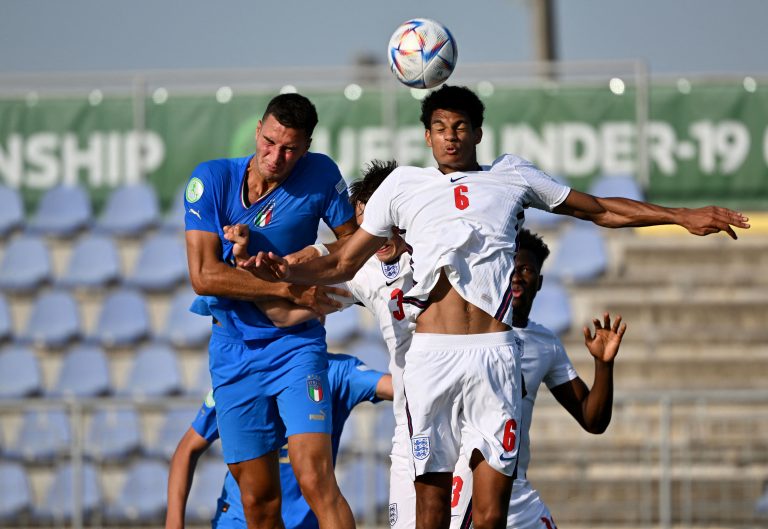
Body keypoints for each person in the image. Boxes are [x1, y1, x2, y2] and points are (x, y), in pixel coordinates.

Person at [244, 85, 750, 529]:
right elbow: (345, 261)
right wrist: (287, 271)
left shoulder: (512, 176)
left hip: (495, 353)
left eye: (461, 126)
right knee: (432, 509)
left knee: (490, 513)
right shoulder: (402, 186)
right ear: (427, 137)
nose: (450, 136)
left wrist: (680, 215)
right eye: (439, 127)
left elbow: (598, 209)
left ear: (478, 133)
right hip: (431, 358)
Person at [183, 92, 358, 529]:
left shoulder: (321, 175)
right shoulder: (211, 180)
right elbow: (204, 277)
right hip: (234, 350)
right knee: (259, 502)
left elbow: (357, 244)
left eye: (290, 149)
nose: (276, 156)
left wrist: (311, 255)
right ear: (258, 128)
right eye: (270, 142)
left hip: (296, 347)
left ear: (307, 147)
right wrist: (289, 289)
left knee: (315, 477)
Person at [226, 159, 421, 529]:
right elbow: (283, 315)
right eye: (362, 225)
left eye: (378, 222)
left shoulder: (436, 254)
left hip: (458, 404)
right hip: (411, 424)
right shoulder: (363, 272)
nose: (370, 234)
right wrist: (244, 266)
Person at [449, 228, 626, 529]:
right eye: (510, 268)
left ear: (539, 282)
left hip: (517, 492)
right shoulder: (466, 333)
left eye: (526, 269)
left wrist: (603, 365)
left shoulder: (545, 343)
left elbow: (592, 419)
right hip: (467, 485)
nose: (516, 276)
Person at [165, 353, 393, 529]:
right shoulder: (242, 378)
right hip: (239, 521)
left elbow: (396, 387)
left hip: (304, 523)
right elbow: (187, 449)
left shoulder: (337, 372)